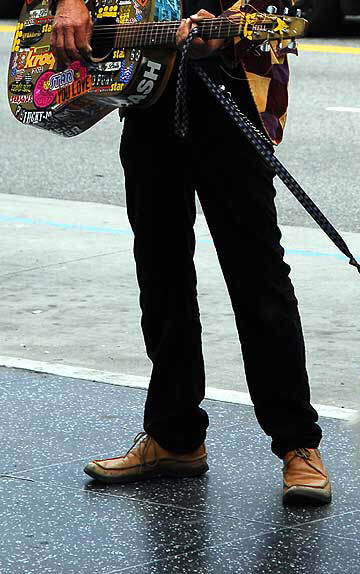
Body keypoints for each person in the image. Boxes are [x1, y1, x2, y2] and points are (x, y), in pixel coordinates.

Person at [50, 0, 331, 505]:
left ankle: (298, 443)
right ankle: (174, 436)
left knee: (257, 272)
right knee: (160, 267)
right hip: (146, 94)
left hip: (230, 87)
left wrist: (227, 31)